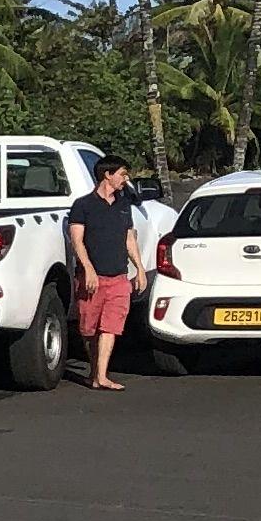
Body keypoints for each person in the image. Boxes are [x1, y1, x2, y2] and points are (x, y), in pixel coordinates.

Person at [66, 152, 144, 393]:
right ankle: (94, 371)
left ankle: (101, 376)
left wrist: (139, 268)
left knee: (111, 327)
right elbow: (77, 240)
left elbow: (129, 237)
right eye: (121, 174)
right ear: (107, 175)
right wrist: (88, 269)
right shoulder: (83, 205)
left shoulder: (124, 205)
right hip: (92, 277)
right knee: (89, 329)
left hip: (119, 277)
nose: (125, 178)